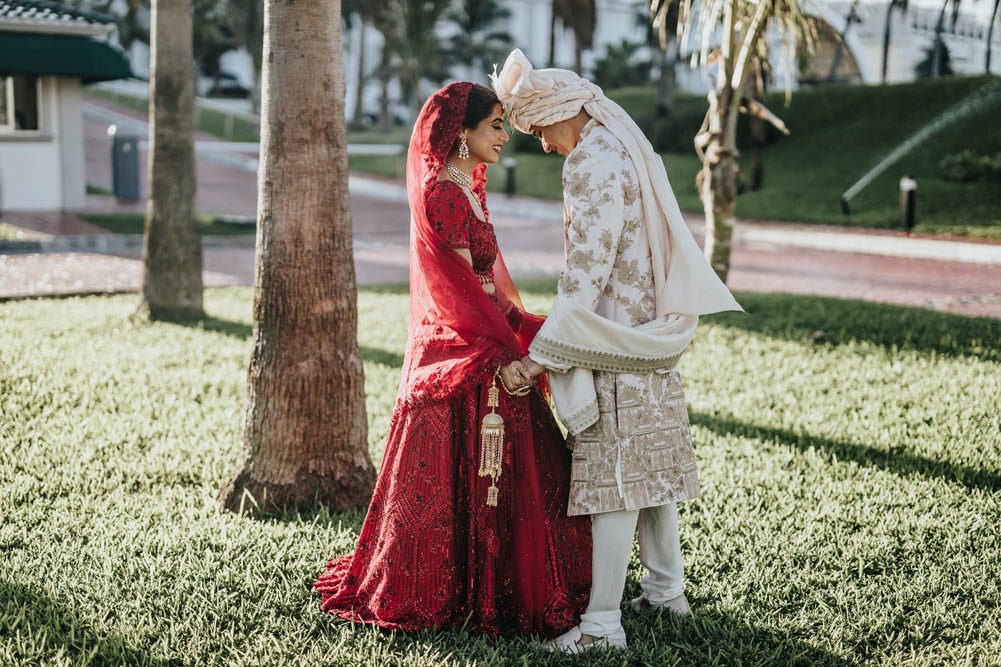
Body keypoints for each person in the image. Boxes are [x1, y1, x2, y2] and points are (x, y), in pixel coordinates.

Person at [313, 82, 591, 638]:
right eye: (494, 125)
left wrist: (526, 328)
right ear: (460, 133)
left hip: (480, 324)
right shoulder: (443, 193)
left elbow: (486, 285)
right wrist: (512, 344)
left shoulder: (466, 188)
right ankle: (480, 589)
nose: (504, 136)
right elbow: (462, 288)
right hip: (463, 339)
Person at [491, 49, 744, 652]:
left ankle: (603, 624)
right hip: (647, 331)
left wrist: (539, 357)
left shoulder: (590, 164)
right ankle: (666, 590)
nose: (543, 146)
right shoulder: (620, 148)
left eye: (540, 131)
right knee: (651, 472)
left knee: (618, 479)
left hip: (612, 340)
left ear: (562, 114)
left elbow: (585, 274)